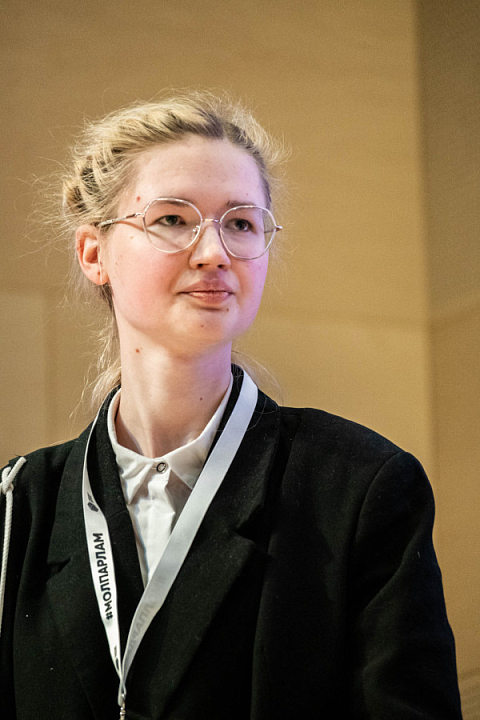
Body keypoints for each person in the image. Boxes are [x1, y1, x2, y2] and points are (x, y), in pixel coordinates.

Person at [0, 92, 463, 720]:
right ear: (93, 253)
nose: (214, 251)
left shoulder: (362, 486)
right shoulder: (18, 508)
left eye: (241, 223)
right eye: (172, 219)